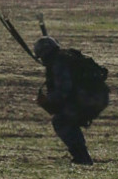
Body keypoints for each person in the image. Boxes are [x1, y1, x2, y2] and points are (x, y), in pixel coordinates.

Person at [33, 30, 109, 166]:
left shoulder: (59, 64)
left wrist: (48, 100)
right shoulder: (66, 57)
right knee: (67, 120)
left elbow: (64, 90)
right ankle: (81, 157)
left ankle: (82, 158)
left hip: (89, 99)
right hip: (96, 97)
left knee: (62, 121)